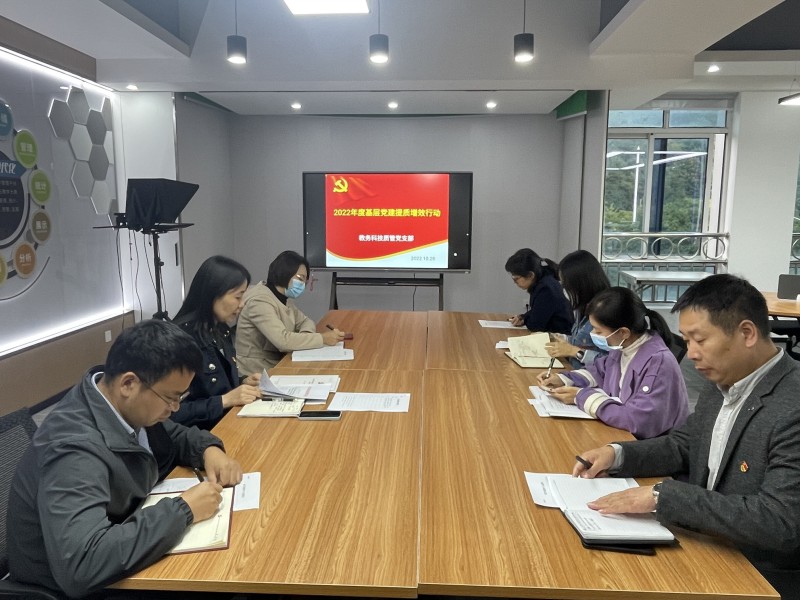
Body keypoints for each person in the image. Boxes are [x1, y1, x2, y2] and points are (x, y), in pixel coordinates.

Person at [574, 274, 800, 599]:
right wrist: (618, 454)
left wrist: (662, 497)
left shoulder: (792, 405)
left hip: (759, 574)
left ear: (747, 333)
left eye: (699, 340)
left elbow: (780, 522)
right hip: (707, 544)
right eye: (686, 340)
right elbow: (684, 445)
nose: (691, 354)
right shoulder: (723, 381)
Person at [7, 320, 243, 598]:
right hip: (73, 587)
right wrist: (184, 510)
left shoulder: (121, 403)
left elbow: (174, 435)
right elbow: (81, 565)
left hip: (118, 535)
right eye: (170, 398)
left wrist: (209, 450)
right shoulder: (73, 450)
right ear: (128, 383)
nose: (175, 408)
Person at [537, 286, 689, 438]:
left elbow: (639, 420)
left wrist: (581, 397)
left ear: (623, 332)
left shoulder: (658, 362)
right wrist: (564, 379)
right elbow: (600, 371)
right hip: (620, 432)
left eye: (598, 331)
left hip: (648, 444)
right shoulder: (623, 347)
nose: (593, 334)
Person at [171, 255, 261, 430]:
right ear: (213, 294)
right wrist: (224, 400)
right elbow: (171, 414)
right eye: (238, 297)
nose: (242, 304)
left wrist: (243, 383)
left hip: (229, 423)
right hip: (200, 435)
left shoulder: (219, 329)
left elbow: (217, 386)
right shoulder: (180, 341)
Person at [236, 250, 344, 372]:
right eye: (300, 278)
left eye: (305, 281)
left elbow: (306, 321)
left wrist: (306, 336)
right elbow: (283, 341)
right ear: (284, 273)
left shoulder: (282, 297)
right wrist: (322, 338)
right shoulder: (259, 301)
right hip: (257, 370)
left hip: (278, 361)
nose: (303, 285)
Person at [545, 249, 610, 368]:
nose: (564, 290)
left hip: (592, 377)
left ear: (580, 284)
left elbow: (612, 362)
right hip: (574, 372)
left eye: (566, 286)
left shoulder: (607, 311)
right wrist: (559, 338)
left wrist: (574, 352)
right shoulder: (583, 306)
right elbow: (579, 340)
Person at [504, 248, 573, 334]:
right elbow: (539, 310)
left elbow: (535, 325)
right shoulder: (544, 280)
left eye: (516, 279)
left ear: (530, 275)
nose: (515, 282)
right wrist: (523, 317)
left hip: (559, 337)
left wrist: (525, 320)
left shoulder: (546, 289)